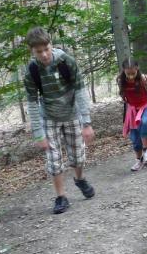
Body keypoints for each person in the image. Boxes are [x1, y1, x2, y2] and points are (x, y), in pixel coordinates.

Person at [24, 27, 96, 214]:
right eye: (39, 51)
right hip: (49, 118)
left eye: (46, 49)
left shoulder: (66, 61)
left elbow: (80, 91)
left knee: (78, 156)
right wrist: (38, 134)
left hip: (72, 114)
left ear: (51, 45)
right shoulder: (32, 70)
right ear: (32, 51)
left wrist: (86, 123)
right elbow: (32, 103)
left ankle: (80, 179)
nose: (44, 54)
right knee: (54, 160)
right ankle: (61, 196)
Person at [118, 59, 147, 171]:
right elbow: (122, 93)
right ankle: (139, 160)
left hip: (145, 107)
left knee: (144, 122)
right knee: (135, 137)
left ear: (137, 69)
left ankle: (146, 151)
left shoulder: (143, 78)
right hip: (132, 110)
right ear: (124, 70)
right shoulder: (121, 80)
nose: (131, 76)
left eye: (133, 73)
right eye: (128, 74)